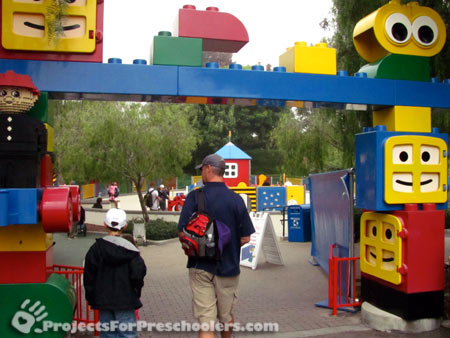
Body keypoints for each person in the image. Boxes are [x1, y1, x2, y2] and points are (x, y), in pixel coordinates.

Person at [178, 154, 255, 338]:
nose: (201, 174)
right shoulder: (236, 199)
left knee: (206, 323)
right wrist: (226, 245)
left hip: (200, 267)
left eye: (201, 170)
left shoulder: (195, 197)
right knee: (226, 318)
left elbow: (182, 232)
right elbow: (245, 238)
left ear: (208, 169)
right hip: (228, 268)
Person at [84, 208, 147, 338]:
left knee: (107, 334)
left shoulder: (96, 249)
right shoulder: (131, 250)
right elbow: (138, 273)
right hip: (126, 299)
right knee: (128, 334)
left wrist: (90, 298)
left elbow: (89, 276)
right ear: (125, 226)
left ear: (104, 225)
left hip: (103, 299)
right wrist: (136, 291)